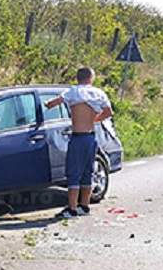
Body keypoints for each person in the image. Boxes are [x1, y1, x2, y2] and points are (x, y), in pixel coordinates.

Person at [44, 67, 113, 218]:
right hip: (91, 137)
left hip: (78, 136)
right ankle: (84, 206)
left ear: (77, 78)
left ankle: (72, 208)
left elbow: (51, 103)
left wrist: (48, 103)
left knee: (73, 173)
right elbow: (108, 112)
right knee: (87, 172)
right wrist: (94, 120)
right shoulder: (99, 93)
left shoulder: (72, 92)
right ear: (91, 78)